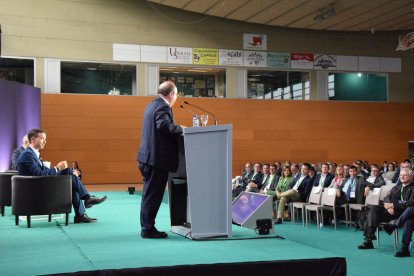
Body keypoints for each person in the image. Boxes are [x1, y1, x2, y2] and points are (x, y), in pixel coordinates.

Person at [17, 128, 107, 223]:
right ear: (32, 140)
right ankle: (86, 201)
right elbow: (38, 174)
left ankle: (81, 213)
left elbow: (43, 171)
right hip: (36, 190)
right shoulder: (27, 154)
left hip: (40, 185)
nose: (45, 141)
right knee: (70, 177)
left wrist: (68, 171)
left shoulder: (33, 154)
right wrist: (58, 168)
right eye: (42, 138)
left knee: (70, 177)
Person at [137, 81, 184, 239]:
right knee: (153, 195)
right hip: (156, 159)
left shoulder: (151, 105)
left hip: (148, 157)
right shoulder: (163, 106)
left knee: (148, 194)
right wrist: (180, 128)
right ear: (171, 94)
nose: (176, 98)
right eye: (176, 94)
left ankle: (147, 226)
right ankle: (148, 229)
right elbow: (163, 126)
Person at [357, 167, 414, 251]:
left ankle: (404, 246)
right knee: (373, 209)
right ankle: (368, 239)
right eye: (401, 175)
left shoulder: (412, 188)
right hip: (391, 211)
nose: (402, 177)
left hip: (404, 213)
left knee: (374, 214)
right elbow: (387, 197)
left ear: (411, 176)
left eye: (405, 175)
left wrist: (393, 205)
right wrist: (389, 206)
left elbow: (410, 203)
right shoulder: (397, 187)